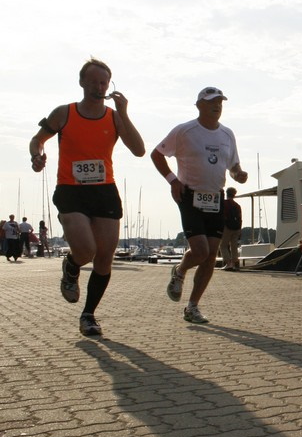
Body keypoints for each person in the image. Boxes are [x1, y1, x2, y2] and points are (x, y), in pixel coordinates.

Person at [28, 58, 145, 336]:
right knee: (85, 251)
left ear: (109, 85)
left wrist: (124, 113)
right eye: (93, 82)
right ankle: (71, 265)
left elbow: (139, 150)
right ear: (82, 82)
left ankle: (89, 315)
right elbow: (37, 140)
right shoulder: (64, 113)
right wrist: (37, 156)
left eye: (103, 82)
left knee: (104, 257)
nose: (98, 87)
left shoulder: (114, 117)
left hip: (104, 191)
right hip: (71, 190)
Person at [151, 87, 248, 324]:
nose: (217, 106)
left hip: (215, 198)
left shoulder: (227, 134)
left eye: (220, 102)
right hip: (189, 195)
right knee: (200, 251)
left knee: (210, 255)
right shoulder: (185, 131)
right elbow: (157, 154)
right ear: (199, 105)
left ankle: (192, 306)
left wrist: (238, 174)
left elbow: (233, 165)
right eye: (211, 102)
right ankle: (180, 270)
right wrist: (173, 180)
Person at [219, 187, 242, 271]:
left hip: (227, 227)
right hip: (237, 227)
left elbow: (221, 215)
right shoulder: (237, 206)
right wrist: (240, 229)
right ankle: (235, 263)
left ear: (227, 193)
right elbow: (240, 218)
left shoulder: (224, 203)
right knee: (234, 246)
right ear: (234, 195)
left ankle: (228, 263)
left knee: (223, 245)